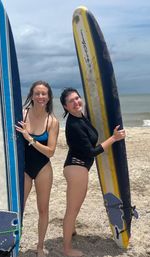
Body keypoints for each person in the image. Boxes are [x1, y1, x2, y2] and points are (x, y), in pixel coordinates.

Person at [60, 87, 126, 257]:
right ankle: (67, 249)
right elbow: (91, 152)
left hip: (77, 167)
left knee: (74, 206)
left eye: (77, 98)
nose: (76, 102)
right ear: (65, 107)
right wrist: (114, 138)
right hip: (77, 167)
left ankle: (71, 230)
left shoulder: (81, 117)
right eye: (71, 101)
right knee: (72, 210)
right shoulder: (74, 125)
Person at [15, 80, 59, 257]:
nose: (41, 97)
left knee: (43, 209)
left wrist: (29, 138)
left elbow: (50, 152)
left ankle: (40, 247)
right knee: (19, 208)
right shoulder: (21, 114)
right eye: (37, 93)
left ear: (49, 97)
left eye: (44, 94)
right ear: (31, 96)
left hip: (43, 168)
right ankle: (14, 245)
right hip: (24, 168)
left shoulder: (52, 121)